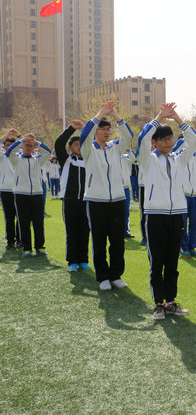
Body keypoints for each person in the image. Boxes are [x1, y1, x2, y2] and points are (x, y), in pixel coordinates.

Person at [138, 103, 196, 320]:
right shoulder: (148, 159)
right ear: (155, 142)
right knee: (157, 262)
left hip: (177, 215)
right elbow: (142, 139)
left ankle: (170, 302)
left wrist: (177, 119)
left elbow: (194, 141)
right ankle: (158, 304)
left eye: (170, 139)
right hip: (155, 215)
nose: (169, 143)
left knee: (173, 262)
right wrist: (159, 117)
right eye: (164, 139)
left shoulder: (178, 159)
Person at [80, 101, 133, 291]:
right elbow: (84, 135)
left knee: (117, 241)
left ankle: (116, 275)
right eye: (102, 128)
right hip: (96, 201)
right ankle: (102, 277)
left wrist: (115, 115)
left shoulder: (115, 147)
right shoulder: (88, 149)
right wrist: (100, 113)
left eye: (108, 128)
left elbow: (128, 135)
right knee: (99, 240)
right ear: (96, 131)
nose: (106, 132)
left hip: (117, 200)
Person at [6, 132, 51, 257]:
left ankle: (40, 247)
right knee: (23, 222)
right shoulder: (16, 160)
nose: (29, 148)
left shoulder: (38, 160)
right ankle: (26, 248)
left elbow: (47, 152)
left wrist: (36, 142)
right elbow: (10, 150)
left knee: (38, 223)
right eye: (27, 145)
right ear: (22, 146)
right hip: (21, 194)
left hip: (37, 194)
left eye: (31, 146)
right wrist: (23, 140)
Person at [54, 120, 90, 271]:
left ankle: (83, 260)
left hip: (86, 200)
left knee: (85, 231)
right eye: (76, 144)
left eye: (81, 144)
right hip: (70, 200)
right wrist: (71, 129)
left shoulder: (89, 160)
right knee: (72, 231)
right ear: (70, 147)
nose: (79, 146)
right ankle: (72, 261)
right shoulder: (66, 160)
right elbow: (58, 144)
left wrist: (86, 130)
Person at [173, 129, 196, 258]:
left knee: (195, 223)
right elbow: (173, 149)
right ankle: (183, 247)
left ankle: (192, 246)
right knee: (182, 223)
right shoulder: (178, 156)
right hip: (183, 194)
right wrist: (185, 137)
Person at [0, 129, 21, 249]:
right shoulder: (1, 157)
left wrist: (18, 135)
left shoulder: (20, 157)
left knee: (21, 217)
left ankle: (20, 240)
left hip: (20, 190)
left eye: (11, 145)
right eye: (6, 145)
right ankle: (10, 241)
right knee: (9, 217)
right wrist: (7, 134)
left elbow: (30, 143)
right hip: (6, 190)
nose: (9, 147)